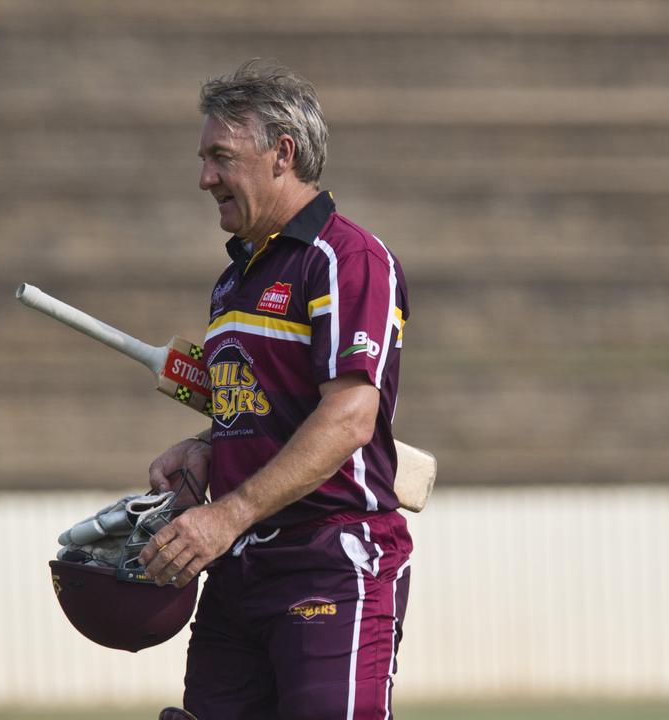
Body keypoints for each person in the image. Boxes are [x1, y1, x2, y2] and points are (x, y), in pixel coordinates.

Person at [138, 58, 412, 720]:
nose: (204, 178)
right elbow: (268, 407)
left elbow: (349, 416)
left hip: (329, 559)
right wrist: (211, 445)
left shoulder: (346, 259)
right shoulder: (233, 282)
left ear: (281, 154)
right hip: (239, 570)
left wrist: (226, 512)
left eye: (219, 157)